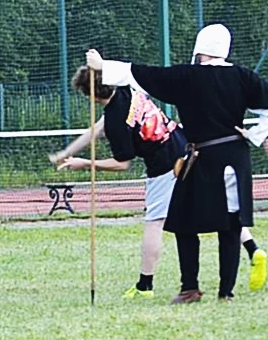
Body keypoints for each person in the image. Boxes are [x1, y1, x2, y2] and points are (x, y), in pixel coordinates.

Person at [86, 24, 268, 304]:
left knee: (186, 224)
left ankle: (191, 288)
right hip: (227, 158)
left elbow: (140, 73)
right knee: (226, 225)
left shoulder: (187, 76)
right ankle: (223, 292)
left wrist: (102, 66)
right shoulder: (243, 76)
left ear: (200, 49)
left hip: (199, 157)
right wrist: (254, 135)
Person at [49, 66, 188, 299]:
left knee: (154, 222)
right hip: (183, 144)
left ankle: (145, 286)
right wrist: (65, 153)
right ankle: (250, 248)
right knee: (216, 205)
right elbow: (96, 129)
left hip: (165, 166)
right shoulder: (126, 88)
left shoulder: (116, 121)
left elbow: (122, 164)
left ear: (91, 97)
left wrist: (86, 163)